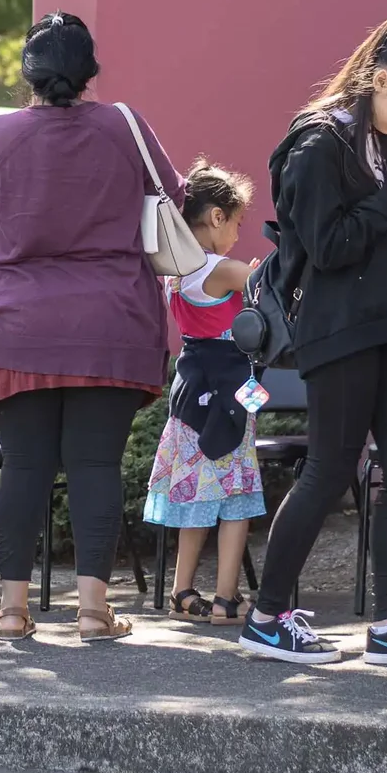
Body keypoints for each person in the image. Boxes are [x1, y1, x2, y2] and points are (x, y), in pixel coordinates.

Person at [0, 13, 181, 643]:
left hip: (15, 323)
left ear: (27, 73)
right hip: (111, 321)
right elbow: (175, 195)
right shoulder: (125, 125)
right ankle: (92, 612)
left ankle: (11, 611)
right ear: (90, 71)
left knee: (23, 465)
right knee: (95, 465)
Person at [246, 15, 387, 666]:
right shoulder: (318, 142)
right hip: (335, 329)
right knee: (330, 469)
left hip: (385, 323)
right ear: (381, 78)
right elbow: (330, 246)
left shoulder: (380, 144)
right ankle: (266, 616)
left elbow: (382, 245)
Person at [141, 163, 264, 624]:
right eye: (236, 222)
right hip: (228, 396)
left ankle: (183, 591)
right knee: (236, 497)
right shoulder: (222, 269)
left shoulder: (173, 270)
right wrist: (253, 277)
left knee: (194, 496)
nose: (236, 233)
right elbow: (268, 289)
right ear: (216, 217)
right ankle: (226, 598)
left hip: (189, 394)